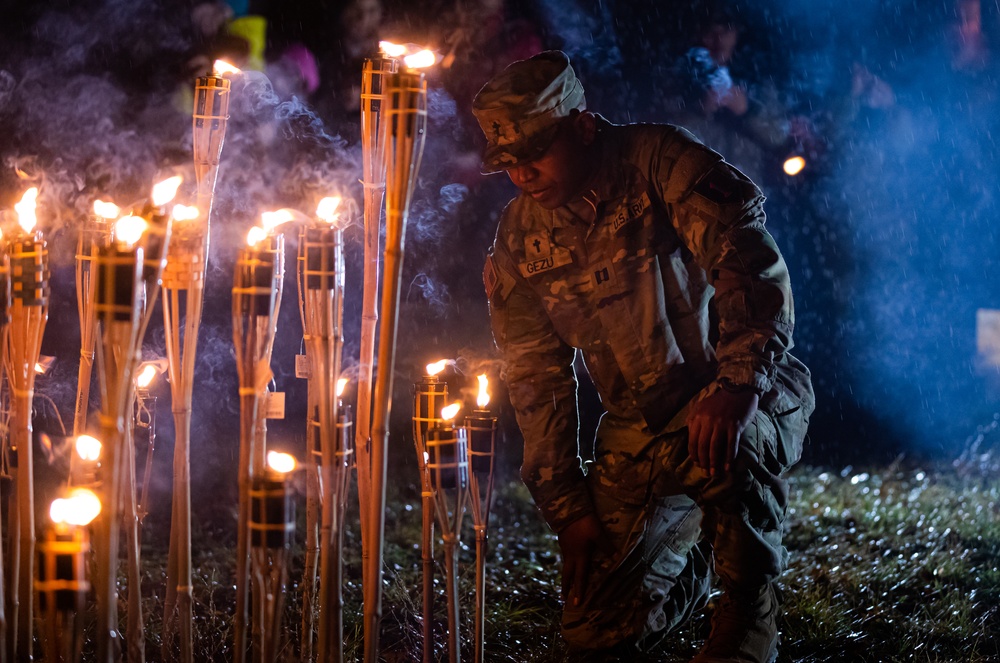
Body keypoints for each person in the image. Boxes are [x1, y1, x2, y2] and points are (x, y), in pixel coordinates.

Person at [472, 50, 814, 662]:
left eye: (536, 151)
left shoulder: (659, 160)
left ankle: (747, 607)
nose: (522, 172)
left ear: (581, 127)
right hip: (638, 430)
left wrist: (738, 383)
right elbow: (534, 376)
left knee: (725, 448)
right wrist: (570, 510)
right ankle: (700, 561)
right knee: (591, 637)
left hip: (735, 392)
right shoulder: (521, 236)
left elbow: (749, 263)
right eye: (509, 161)